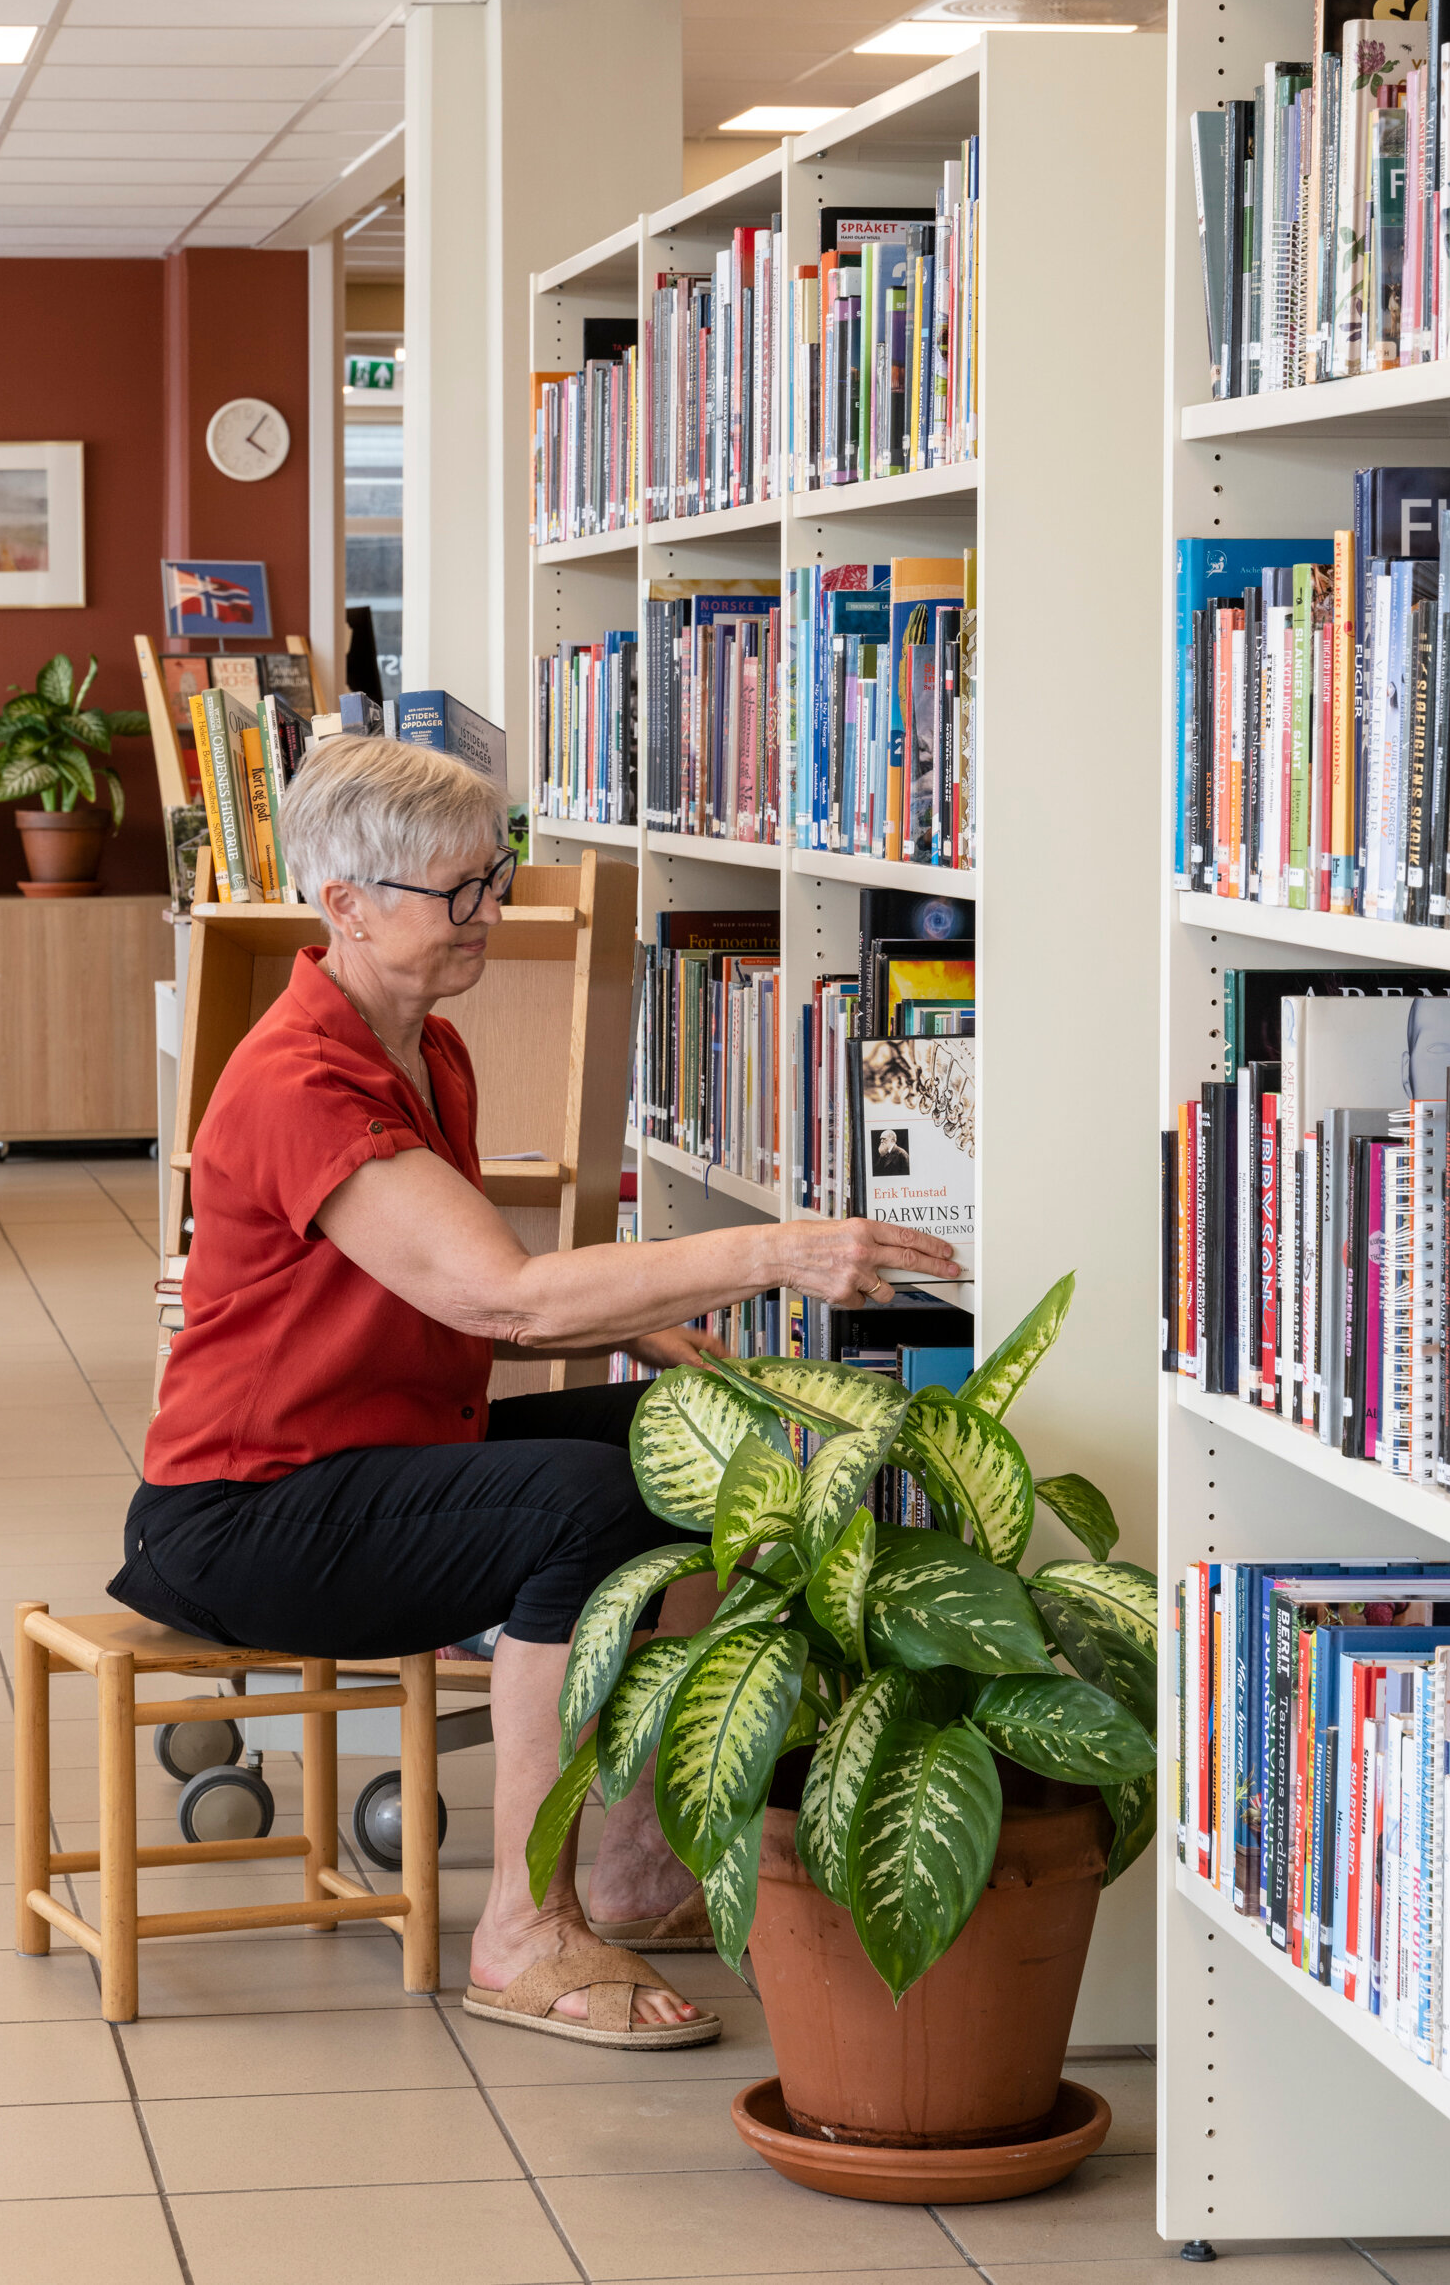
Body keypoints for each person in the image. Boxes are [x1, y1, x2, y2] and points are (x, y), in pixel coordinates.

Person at [111, 736, 958, 2052]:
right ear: (347, 900)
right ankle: (521, 1920)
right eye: (459, 893)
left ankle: (626, 1864)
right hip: (243, 1514)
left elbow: (417, 1305)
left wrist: (654, 1328)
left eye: (492, 880)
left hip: (371, 1455)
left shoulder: (428, 1050)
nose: (490, 915)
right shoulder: (297, 1078)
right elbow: (500, 1294)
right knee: (588, 1502)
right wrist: (780, 1248)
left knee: (701, 1442)